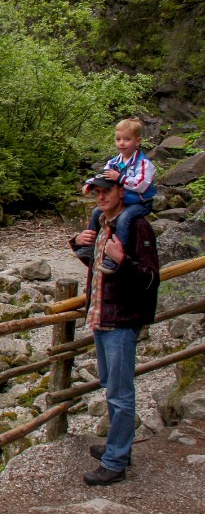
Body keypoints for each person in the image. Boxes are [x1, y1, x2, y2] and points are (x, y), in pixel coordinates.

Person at [70, 172, 160, 486]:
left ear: (122, 191)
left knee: (120, 394)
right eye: (97, 192)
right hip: (101, 315)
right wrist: (78, 245)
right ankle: (118, 447)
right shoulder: (102, 223)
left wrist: (121, 259)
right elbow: (100, 270)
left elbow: (150, 278)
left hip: (121, 320)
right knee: (111, 385)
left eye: (107, 191)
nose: (101, 197)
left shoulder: (138, 226)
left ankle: (115, 462)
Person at [78, 118, 156, 274]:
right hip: (123, 201)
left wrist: (120, 178)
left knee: (124, 218)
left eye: (127, 139)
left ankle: (115, 255)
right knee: (96, 212)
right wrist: (89, 183)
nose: (122, 143)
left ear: (137, 141)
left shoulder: (143, 163)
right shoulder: (115, 162)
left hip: (140, 203)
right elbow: (102, 175)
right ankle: (89, 246)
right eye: (118, 139)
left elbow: (141, 185)